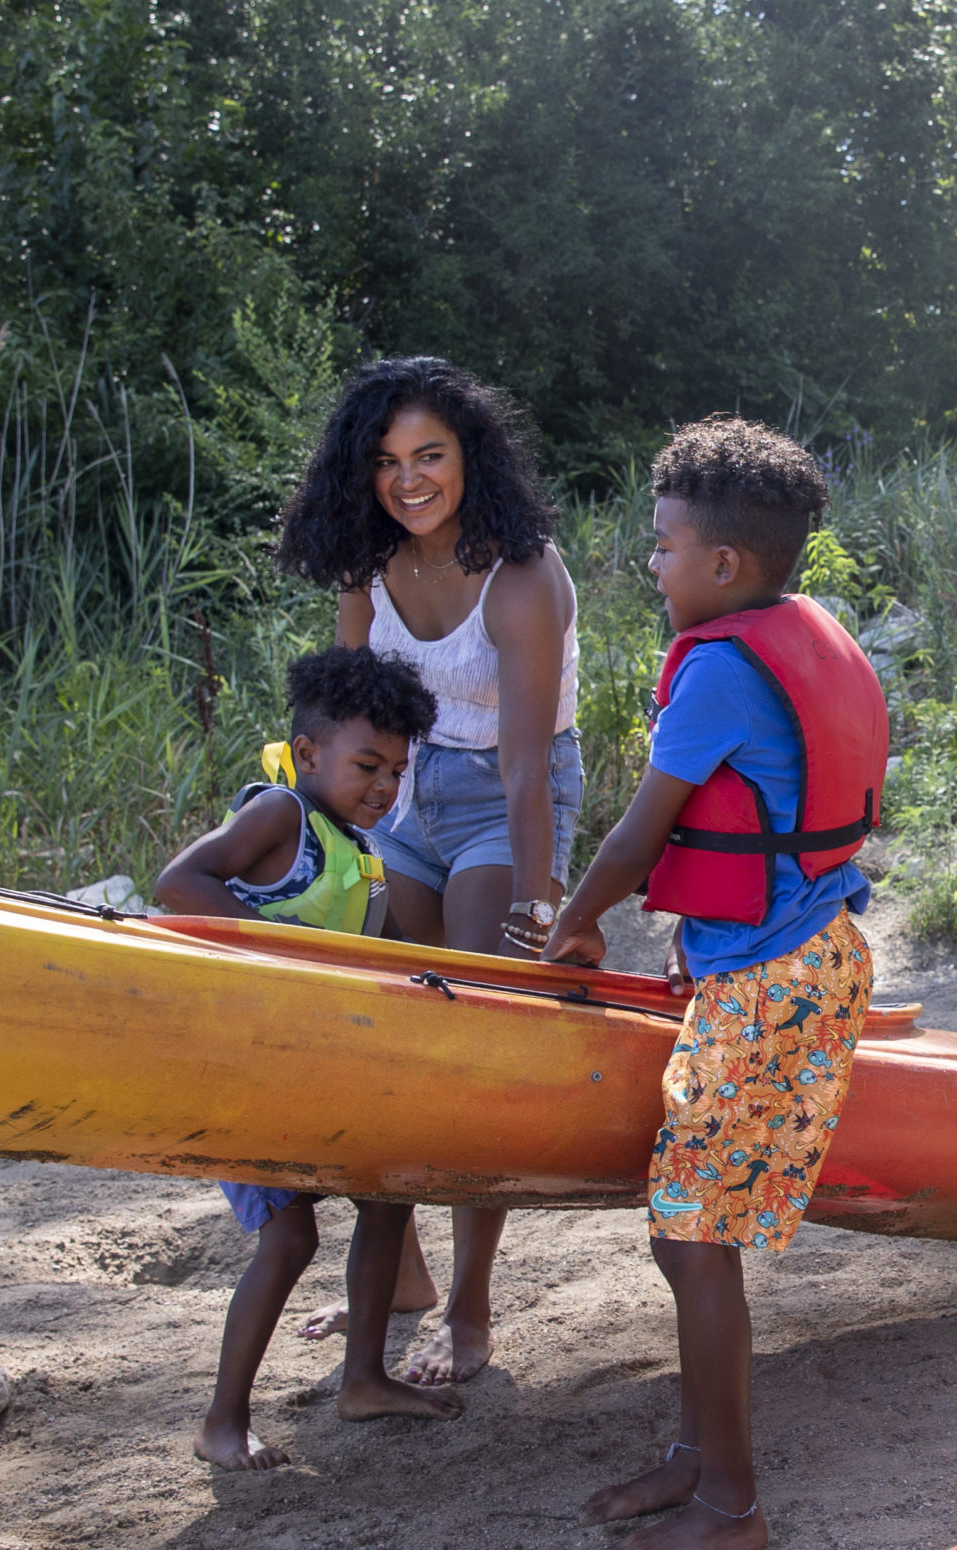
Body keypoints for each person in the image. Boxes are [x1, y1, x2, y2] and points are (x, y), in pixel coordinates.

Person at [538, 417, 886, 1550]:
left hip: (774, 987)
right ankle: (698, 1454)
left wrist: (576, 923)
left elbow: (641, 833)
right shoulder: (786, 636)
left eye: (663, 545)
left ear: (723, 566)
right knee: (690, 1230)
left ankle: (733, 1504)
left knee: (696, 1239)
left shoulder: (723, 674)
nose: (652, 563)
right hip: (791, 964)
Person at [275, 356, 583, 1385]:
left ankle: (470, 1304)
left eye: (430, 456)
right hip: (402, 796)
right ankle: (397, 1280)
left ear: (469, 457)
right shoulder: (369, 567)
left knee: (468, 1041)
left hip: (509, 798)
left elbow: (526, 762)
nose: (409, 480)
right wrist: (313, 846)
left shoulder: (523, 573)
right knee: (387, 1027)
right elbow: (344, 720)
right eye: (386, 461)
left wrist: (539, 902)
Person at [155, 645, 469, 1470]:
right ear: (308, 754)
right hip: (241, 1073)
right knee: (290, 1240)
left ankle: (362, 1378)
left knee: (388, 1193)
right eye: (368, 764)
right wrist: (282, 959)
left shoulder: (362, 859)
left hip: (310, 1072)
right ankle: (222, 1420)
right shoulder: (281, 817)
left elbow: (398, 955)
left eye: (398, 771)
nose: (384, 786)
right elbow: (179, 882)